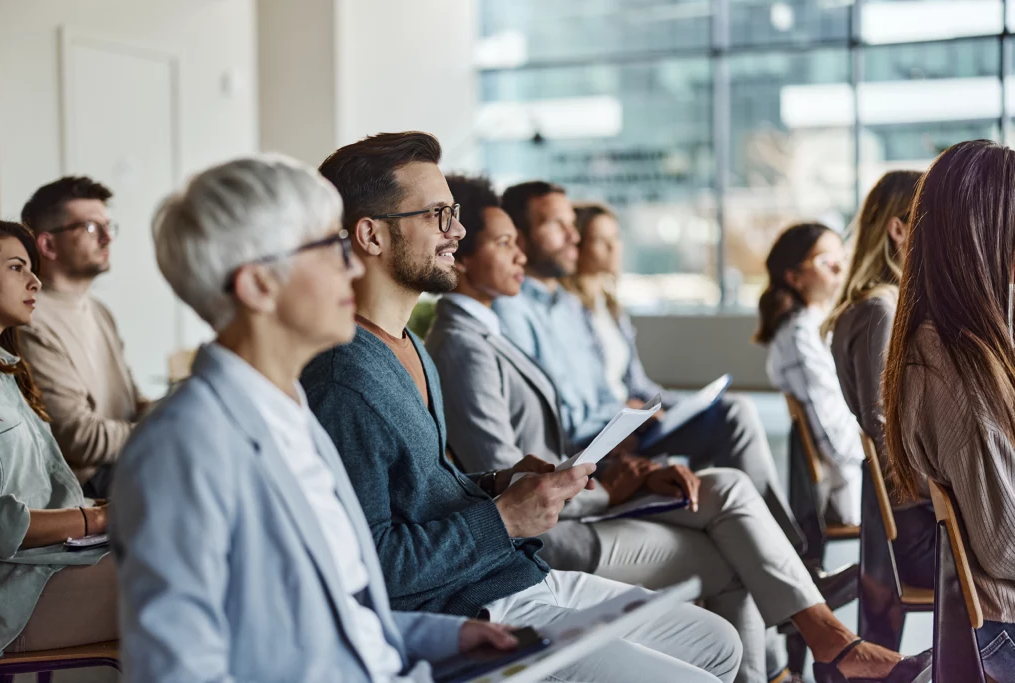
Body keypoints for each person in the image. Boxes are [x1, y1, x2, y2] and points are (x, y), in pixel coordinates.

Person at [426, 175, 933, 683]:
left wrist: (633, 470)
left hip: (585, 484)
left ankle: (820, 645)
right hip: (561, 524)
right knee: (737, 537)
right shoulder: (468, 342)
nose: (519, 253)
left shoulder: (493, 330)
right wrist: (611, 485)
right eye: (505, 242)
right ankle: (819, 647)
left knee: (731, 488)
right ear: (462, 257)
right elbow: (506, 478)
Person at [302, 131, 745, 683]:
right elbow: (372, 565)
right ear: (371, 235)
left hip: (511, 574)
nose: (457, 231)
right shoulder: (343, 382)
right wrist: (505, 517)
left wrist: (499, 482)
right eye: (438, 215)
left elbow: (420, 490)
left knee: (720, 644)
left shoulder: (409, 345)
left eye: (453, 213)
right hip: (468, 612)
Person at [110, 155, 524, 683]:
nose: (353, 267)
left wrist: (445, 636)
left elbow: (333, 614)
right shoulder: (183, 446)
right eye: (330, 247)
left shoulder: (291, 411)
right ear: (259, 285)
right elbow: (178, 672)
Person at [492, 183, 806, 556]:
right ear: (520, 236)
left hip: (616, 430)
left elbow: (616, 387)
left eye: (572, 225)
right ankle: (788, 553)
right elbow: (548, 418)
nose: (573, 237)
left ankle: (789, 551)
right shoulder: (513, 311)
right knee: (731, 433)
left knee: (733, 411)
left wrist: (637, 414)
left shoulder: (571, 306)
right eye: (557, 225)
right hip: (590, 448)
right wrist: (617, 429)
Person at [884, 139, 1015, 682]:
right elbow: (1005, 544)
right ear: (988, 232)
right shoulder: (955, 368)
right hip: (1004, 627)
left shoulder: (964, 342)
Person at [0, 219, 114, 660]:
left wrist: (104, 511)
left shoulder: (7, 371)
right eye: (16, 267)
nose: (35, 281)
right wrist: (96, 520)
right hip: (11, 589)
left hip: (52, 560)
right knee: (188, 572)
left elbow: (41, 488)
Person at [822, 170, 935, 590]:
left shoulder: (877, 305)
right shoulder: (879, 310)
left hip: (912, 520)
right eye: (932, 222)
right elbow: (881, 422)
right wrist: (947, 495)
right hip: (917, 533)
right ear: (898, 230)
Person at [18, 176, 147, 498]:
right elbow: (78, 439)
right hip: (89, 486)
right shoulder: (29, 320)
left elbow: (133, 403)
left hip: (126, 459)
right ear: (48, 245)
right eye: (90, 227)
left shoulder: (100, 311)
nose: (107, 238)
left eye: (108, 226)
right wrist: (161, 428)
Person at [755, 223, 864, 527]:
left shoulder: (820, 325)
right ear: (794, 277)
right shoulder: (799, 337)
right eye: (827, 261)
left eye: (842, 257)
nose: (840, 267)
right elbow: (835, 441)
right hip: (854, 487)